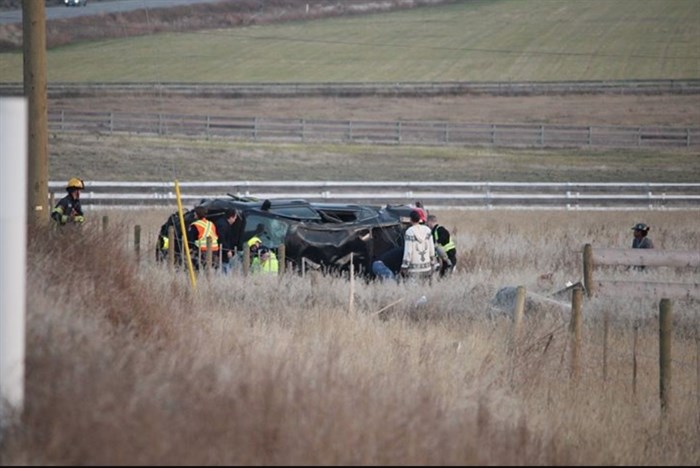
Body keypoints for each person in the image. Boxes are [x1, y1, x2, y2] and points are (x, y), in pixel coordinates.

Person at [400, 209, 436, 282]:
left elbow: (408, 251)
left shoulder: (409, 232)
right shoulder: (427, 230)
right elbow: (432, 249)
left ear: (411, 220)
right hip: (427, 267)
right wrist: (433, 262)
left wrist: (404, 266)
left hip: (414, 269)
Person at [215, 209, 242, 274]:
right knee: (224, 269)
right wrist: (227, 250)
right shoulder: (223, 225)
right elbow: (221, 239)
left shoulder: (223, 223)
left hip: (223, 252)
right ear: (231, 217)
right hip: (222, 252)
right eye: (234, 218)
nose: (235, 220)